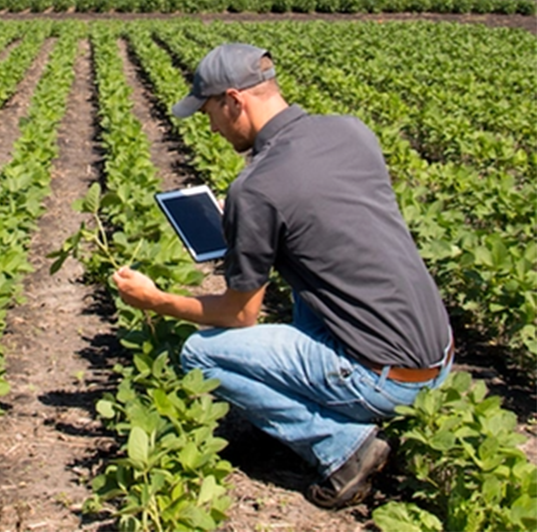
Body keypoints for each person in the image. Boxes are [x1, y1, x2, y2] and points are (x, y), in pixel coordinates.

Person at [111, 43, 453, 509]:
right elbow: (327, 216)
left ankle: (341, 448)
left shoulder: (257, 188)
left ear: (234, 100)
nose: (209, 125)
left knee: (201, 354)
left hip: (384, 379)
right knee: (306, 286)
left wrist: (155, 300)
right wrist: (252, 226)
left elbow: (241, 315)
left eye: (209, 110)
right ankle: (341, 395)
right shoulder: (350, 131)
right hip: (437, 354)